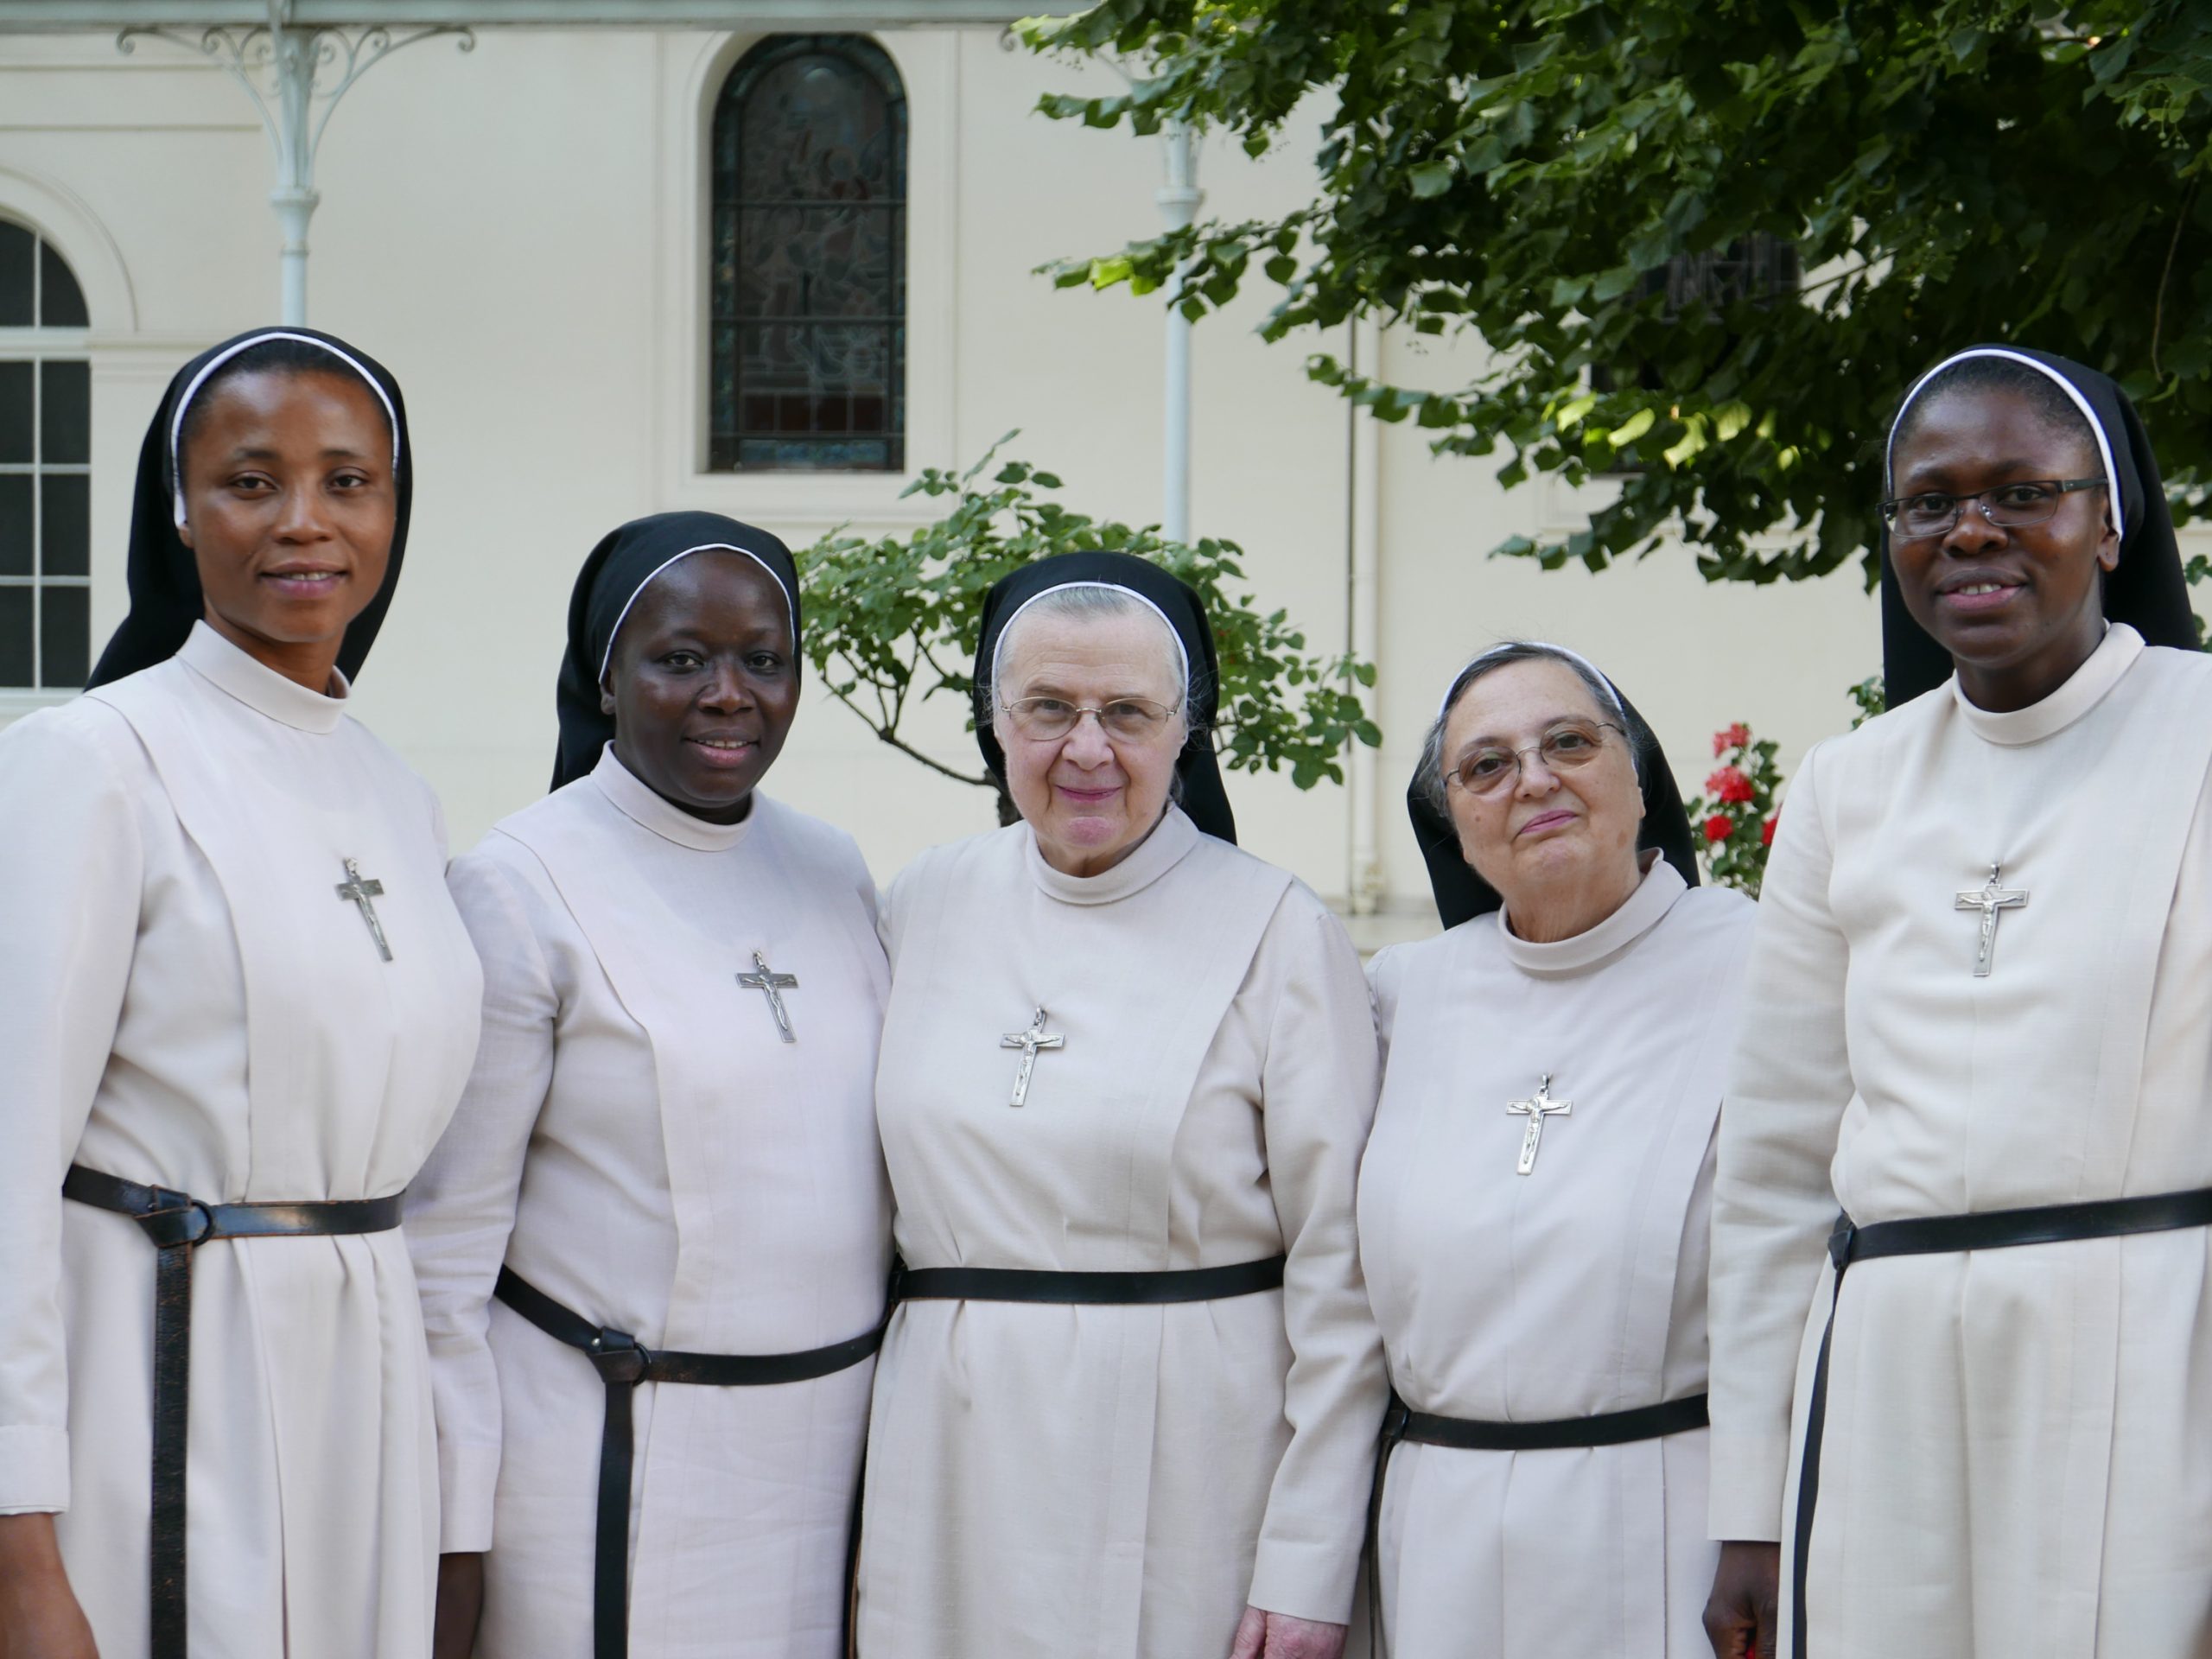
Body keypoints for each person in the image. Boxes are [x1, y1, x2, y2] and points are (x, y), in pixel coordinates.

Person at [1703, 346, 2212, 1659]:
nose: (1971, 529)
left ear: (2110, 522)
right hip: (1889, 1383)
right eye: (1929, 502)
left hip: (2162, 1358)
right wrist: (1751, 1505)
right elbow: (1772, 1169)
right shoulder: (1844, 789)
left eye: (2022, 492)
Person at [0, 327, 484, 1658]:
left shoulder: (394, 788)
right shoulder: (92, 761)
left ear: (394, 505)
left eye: (348, 481)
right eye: (251, 481)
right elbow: (4, 1176)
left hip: (362, 1402)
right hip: (158, 1385)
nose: (304, 524)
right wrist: (21, 1555)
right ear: (178, 505)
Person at [854, 553, 1387, 1659]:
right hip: (944, 1464)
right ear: (995, 723)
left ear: (1185, 730)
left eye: (1127, 714)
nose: (1085, 750)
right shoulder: (923, 903)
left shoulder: (1278, 932)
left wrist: (1309, 1563)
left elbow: (1344, 1279)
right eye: (1048, 709)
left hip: (1193, 1476)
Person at [406, 512, 892, 1659]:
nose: (729, 693)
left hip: (830, 1458)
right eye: (681, 659)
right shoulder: (521, 883)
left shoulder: (832, 868)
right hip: (606, 1464)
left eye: (763, 660)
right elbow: (448, 1260)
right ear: (607, 681)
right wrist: (453, 1529)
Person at [1361, 641, 1751, 1657]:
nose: (1532, 780)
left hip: (1674, 1523)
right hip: (1433, 1534)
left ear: (1637, 769)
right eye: (1484, 766)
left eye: (1567, 742)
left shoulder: (1763, 962)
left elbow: (1801, 1286)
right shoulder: (1400, 995)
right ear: (1453, 819)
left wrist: (1757, 1524)